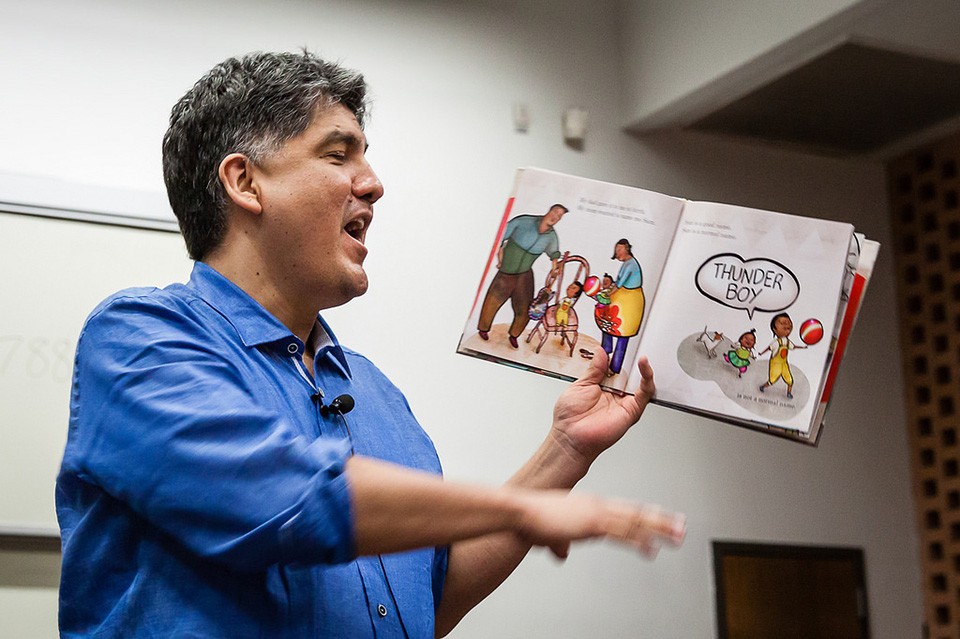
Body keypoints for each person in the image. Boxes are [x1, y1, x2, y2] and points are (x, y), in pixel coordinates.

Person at [56, 51, 685, 639]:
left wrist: (565, 451)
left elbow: (430, 603)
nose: (374, 184)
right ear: (245, 182)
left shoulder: (375, 392)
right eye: (338, 155)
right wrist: (516, 509)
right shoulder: (138, 338)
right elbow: (282, 496)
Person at [477, 204, 567, 348]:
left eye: (559, 216)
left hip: (524, 274)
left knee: (525, 308)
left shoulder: (551, 236)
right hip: (506, 271)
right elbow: (500, 235)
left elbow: (554, 253)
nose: (555, 217)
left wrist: (555, 268)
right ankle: (483, 328)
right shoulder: (524, 221)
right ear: (549, 210)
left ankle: (514, 334)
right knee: (493, 300)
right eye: (555, 212)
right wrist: (499, 255)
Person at [597, 238, 644, 376]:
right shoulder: (626, 263)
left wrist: (607, 294)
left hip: (630, 301)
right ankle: (604, 353)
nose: (617, 253)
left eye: (619, 250)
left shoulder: (631, 264)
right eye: (616, 250)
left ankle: (614, 367)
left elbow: (619, 284)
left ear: (627, 249)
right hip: (621, 297)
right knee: (607, 324)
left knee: (623, 333)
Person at [758, 312, 806, 398]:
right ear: (775, 330)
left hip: (784, 364)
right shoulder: (776, 343)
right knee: (772, 380)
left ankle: (789, 393)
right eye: (782, 323)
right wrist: (761, 353)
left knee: (790, 380)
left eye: (788, 323)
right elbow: (769, 348)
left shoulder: (787, 342)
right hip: (775, 364)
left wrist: (802, 347)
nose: (786, 324)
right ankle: (763, 386)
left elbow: (793, 346)